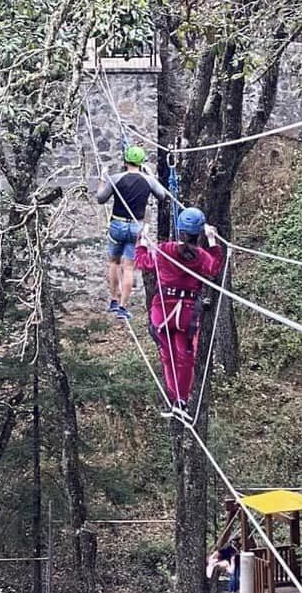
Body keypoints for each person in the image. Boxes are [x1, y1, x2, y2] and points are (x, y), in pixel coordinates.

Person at [135, 207, 224, 412]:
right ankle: (181, 400)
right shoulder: (201, 256)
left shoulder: (165, 250)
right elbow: (214, 268)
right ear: (199, 232)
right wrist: (212, 241)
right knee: (184, 357)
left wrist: (142, 241)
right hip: (186, 314)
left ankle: (175, 398)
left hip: (162, 312)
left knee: (168, 355)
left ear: (180, 229)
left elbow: (142, 262)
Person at [95, 145, 169, 321]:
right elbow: (162, 195)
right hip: (136, 226)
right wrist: (150, 176)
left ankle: (113, 299)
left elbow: (100, 198)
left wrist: (102, 179)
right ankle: (123, 307)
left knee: (114, 263)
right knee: (129, 267)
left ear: (125, 161)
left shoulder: (116, 178)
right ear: (142, 162)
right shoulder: (147, 180)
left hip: (117, 224)